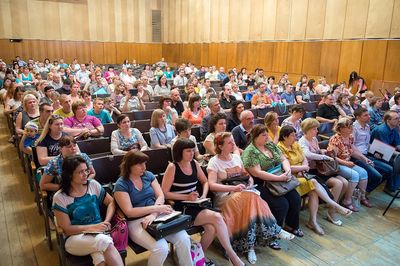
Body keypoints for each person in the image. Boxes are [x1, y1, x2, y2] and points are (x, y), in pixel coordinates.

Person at [208, 132, 294, 264]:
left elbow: (247, 176)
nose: (233, 144)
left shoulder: (236, 157)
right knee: (253, 198)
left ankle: (250, 247)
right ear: (220, 146)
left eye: (233, 141)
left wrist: (250, 183)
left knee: (252, 200)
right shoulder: (214, 162)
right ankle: (274, 230)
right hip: (225, 196)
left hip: (243, 193)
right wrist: (233, 188)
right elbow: (212, 185)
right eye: (230, 143)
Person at [162, 139, 245, 266]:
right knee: (217, 217)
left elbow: (205, 182)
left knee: (211, 229)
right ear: (180, 152)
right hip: (181, 206)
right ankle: (234, 257)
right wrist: (186, 196)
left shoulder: (194, 163)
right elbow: (165, 192)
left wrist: (204, 195)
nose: (192, 153)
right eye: (188, 151)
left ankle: (198, 256)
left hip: (196, 203)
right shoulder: (173, 167)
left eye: (192, 150)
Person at [113, 151, 192, 266]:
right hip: (136, 221)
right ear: (129, 165)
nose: (144, 167)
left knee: (184, 239)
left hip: (156, 215)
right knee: (161, 248)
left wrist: (154, 214)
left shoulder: (148, 175)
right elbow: (129, 212)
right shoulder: (121, 184)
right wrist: (156, 209)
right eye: (140, 164)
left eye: (145, 163)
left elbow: (160, 196)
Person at [277, 126, 352, 235]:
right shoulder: (279, 148)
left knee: (313, 191)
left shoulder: (295, 144)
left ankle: (313, 221)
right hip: (289, 179)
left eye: (295, 135)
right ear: (284, 137)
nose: (295, 137)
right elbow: (287, 168)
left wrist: (303, 167)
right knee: (313, 182)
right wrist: (303, 168)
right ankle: (334, 205)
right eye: (292, 135)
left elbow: (304, 160)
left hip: (302, 176)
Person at [52, 155, 123, 266]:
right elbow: (67, 229)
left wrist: (107, 221)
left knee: (100, 259)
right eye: (80, 172)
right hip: (75, 238)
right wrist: (93, 227)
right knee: (105, 242)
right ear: (69, 175)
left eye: (86, 170)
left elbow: (111, 203)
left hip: (99, 233)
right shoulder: (60, 197)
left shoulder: (93, 185)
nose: (86, 174)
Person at [242, 125, 301, 250]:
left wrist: (288, 170)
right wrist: (280, 178)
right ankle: (271, 235)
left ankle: (290, 225)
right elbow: (257, 173)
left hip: (280, 178)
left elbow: (283, 158)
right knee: (281, 205)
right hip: (263, 183)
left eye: (267, 134)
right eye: (263, 135)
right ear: (255, 137)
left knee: (295, 198)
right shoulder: (250, 151)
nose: (267, 137)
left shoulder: (270, 145)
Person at [299, 118, 350, 226]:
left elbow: (317, 151)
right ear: (307, 130)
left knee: (345, 182)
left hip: (321, 169)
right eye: (314, 129)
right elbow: (307, 154)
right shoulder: (302, 141)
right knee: (338, 183)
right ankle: (332, 212)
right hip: (312, 171)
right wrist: (323, 156)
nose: (317, 131)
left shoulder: (314, 139)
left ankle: (331, 205)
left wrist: (322, 151)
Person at [327, 118, 370, 211]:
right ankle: (347, 200)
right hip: (338, 165)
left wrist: (364, 158)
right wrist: (346, 163)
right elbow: (333, 157)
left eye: (351, 126)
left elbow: (353, 150)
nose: (351, 128)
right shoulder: (335, 139)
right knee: (354, 175)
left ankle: (361, 197)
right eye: (348, 127)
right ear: (341, 128)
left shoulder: (350, 137)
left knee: (363, 173)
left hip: (348, 162)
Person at [352, 108, 393, 194]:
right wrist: (364, 158)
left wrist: (375, 152)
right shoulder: (353, 128)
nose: (369, 117)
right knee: (377, 176)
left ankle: (365, 191)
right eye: (365, 115)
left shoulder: (367, 126)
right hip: (357, 157)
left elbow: (367, 143)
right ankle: (362, 194)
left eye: (368, 114)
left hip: (367, 154)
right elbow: (351, 147)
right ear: (358, 117)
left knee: (389, 169)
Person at [370, 111, 400, 197]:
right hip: (376, 154)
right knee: (396, 163)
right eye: (396, 119)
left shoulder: (393, 129)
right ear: (388, 120)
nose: (399, 120)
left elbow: (397, 144)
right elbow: (384, 149)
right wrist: (398, 153)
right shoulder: (381, 130)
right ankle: (390, 188)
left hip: (386, 152)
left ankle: (395, 185)